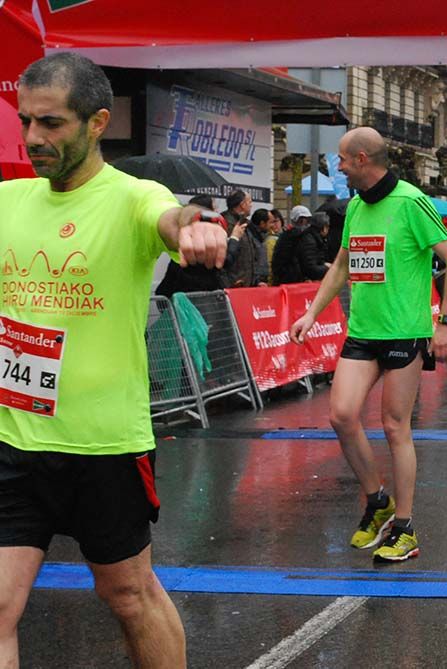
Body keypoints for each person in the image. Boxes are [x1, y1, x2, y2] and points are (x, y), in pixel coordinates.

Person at [1, 52, 227, 668]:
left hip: (103, 448)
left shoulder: (131, 196)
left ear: (97, 122)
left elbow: (169, 216)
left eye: (51, 124)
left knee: (128, 595)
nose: (33, 138)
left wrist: (194, 227)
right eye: (26, 122)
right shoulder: (8, 201)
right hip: (14, 441)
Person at [290, 127, 447, 563]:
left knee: (394, 426)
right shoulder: (354, 207)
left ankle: (404, 527)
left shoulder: (410, 202)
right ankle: (377, 499)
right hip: (363, 332)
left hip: (404, 332)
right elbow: (344, 266)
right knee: (342, 414)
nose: (341, 166)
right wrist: (312, 312)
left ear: (363, 159)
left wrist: (445, 324)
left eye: (344, 160)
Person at [271, 205, 331, 285]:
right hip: (293, 281)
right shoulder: (302, 237)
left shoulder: (286, 236)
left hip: (285, 279)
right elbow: (305, 264)